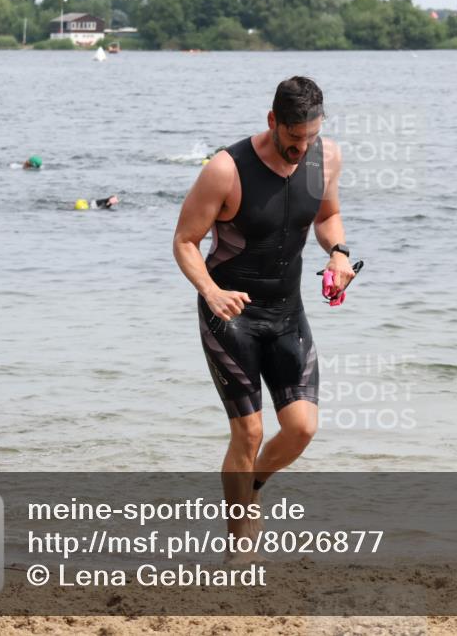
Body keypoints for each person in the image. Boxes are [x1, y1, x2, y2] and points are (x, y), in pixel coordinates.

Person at [173, 76, 354, 563]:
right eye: (294, 139)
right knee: (248, 432)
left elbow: (326, 216)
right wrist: (210, 292)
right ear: (272, 121)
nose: (302, 148)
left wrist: (338, 253)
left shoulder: (326, 157)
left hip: (287, 310)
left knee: (301, 428)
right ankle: (241, 545)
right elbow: (185, 241)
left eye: (310, 138)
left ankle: (247, 487)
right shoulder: (226, 170)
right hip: (229, 312)